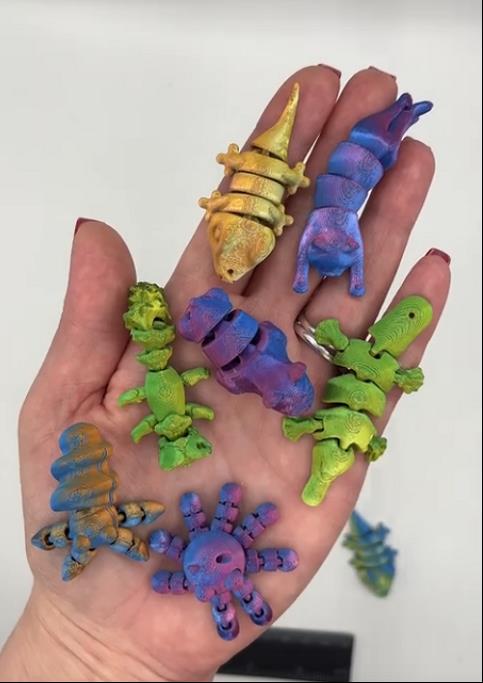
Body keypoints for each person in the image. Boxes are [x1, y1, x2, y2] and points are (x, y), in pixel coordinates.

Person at [0, 65, 450, 682]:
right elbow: (242, 369)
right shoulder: (244, 370)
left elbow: (251, 367)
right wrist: (81, 644)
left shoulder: (264, 373)